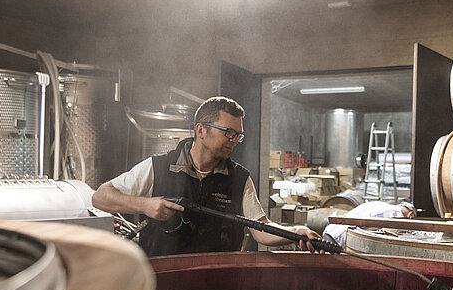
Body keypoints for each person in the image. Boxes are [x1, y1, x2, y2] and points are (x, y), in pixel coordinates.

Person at [92, 96, 323, 256]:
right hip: (162, 284)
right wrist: (145, 204)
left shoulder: (239, 178)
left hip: (216, 286)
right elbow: (100, 197)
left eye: (238, 135)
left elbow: (261, 229)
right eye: (229, 132)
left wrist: (296, 233)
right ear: (201, 131)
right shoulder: (159, 166)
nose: (234, 140)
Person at [322, 200, 415, 248]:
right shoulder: (396, 215)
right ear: (410, 215)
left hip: (331, 231)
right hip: (339, 239)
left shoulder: (381, 204)